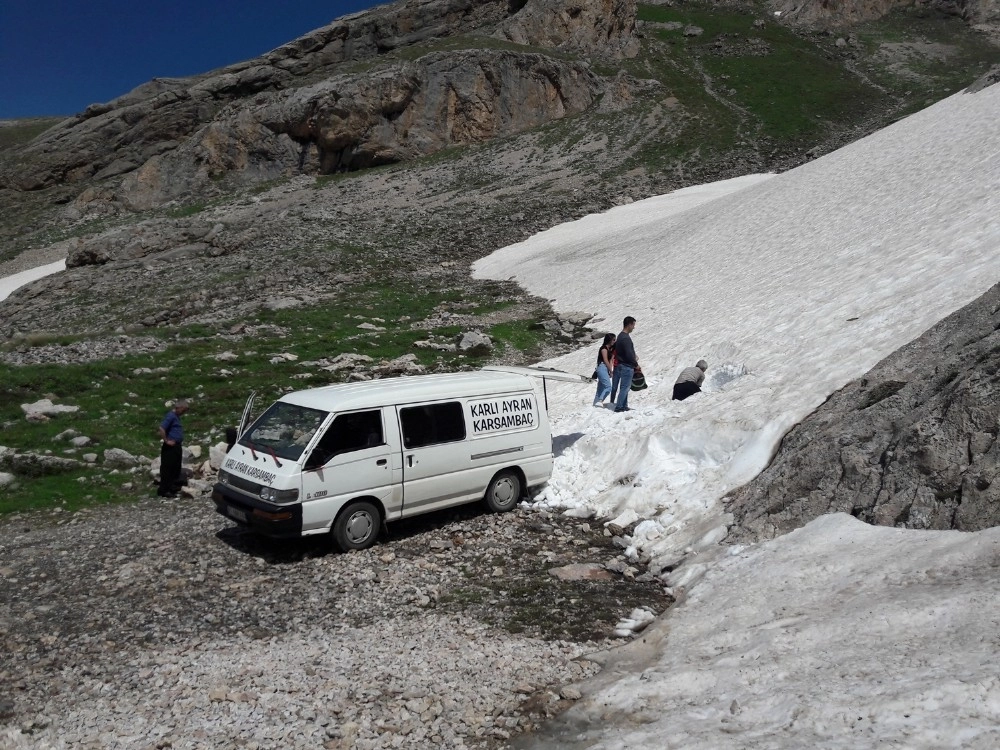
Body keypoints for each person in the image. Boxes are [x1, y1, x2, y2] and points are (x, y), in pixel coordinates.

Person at [157, 399, 189, 497]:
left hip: (177, 446)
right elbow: (161, 428)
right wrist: (166, 440)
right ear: (178, 408)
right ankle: (164, 490)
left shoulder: (177, 417)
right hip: (170, 447)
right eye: (183, 410)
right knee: (168, 468)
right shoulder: (170, 416)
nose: (184, 413)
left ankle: (172, 487)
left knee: (175, 467)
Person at [613, 316, 641, 413]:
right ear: (629, 324)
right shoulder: (625, 338)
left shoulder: (620, 336)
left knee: (624, 387)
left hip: (621, 364)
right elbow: (629, 354)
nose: (634, 327)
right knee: (625, 387)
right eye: (633, 325)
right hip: (627, 366)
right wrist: (636, 364)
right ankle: (619, 406)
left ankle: (624, 405)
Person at [593, 333, 616, 406]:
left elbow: (610, 360)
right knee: (608, 387)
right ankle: (600, 400)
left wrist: (609, 370)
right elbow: (605, 360)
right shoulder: (604, 349)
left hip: (605, 368)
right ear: (609, 340)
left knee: (600, 388)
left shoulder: (610, 349)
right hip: (602, 367)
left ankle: (595, 404)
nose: (614, 341)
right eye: (613, 340)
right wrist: (611, 371)